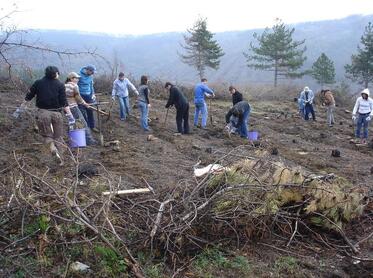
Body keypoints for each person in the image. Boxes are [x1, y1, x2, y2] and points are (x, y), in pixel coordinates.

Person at [23, 66, 74, 163]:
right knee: (58, 136)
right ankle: (62, 160)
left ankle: (52, 149)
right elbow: (64, 102)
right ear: (56, 74)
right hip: (57, 114)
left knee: (47, 136)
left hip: (43, 113)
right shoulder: (60, 85)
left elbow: (29, 96)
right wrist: (70, 115)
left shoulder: (38, 83)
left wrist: (20, 108)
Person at [65, 72, 97, 145]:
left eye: (78, 78)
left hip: (66, 108)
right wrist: (85, 104)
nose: (78, 80)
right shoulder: (74, 86)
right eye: (76, 78)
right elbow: (78, 97)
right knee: (83, 123)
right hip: (73, 107)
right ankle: (89, 141)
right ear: (71, 78)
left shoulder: (64, 85)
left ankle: (74, 140)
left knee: (72, 123)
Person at [78, 65, 96, 131]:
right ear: (88, 70)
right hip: (80, 95)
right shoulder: (79, 75)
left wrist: (93, 94)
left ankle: (92, 126)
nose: (92, 73)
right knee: (82, 112)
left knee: (90, 110)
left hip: (88, 95)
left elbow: (91, 86)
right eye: (92, 72)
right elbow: (76, 86)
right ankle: (86, 127)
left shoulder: (90, 76)